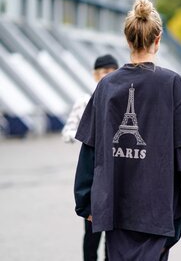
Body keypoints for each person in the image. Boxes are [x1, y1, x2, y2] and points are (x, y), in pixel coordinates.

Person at [73, 0, 181, 261]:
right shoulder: (174, 84)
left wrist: (84, 200)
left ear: (127, 40)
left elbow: (90, 147)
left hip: (116, 204)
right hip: (158, 205)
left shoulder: (106, 86)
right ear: (158, 39)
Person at [62, 54, 119, 261]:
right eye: (105, 72)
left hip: (116, 168)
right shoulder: (85, 101)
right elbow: (68, 130)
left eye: (113, 71)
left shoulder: (123, 98)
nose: (108, 76)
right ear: (96, 75)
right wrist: (84, 136)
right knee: (92, 230)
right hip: (93, 168)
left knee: (114, 234)